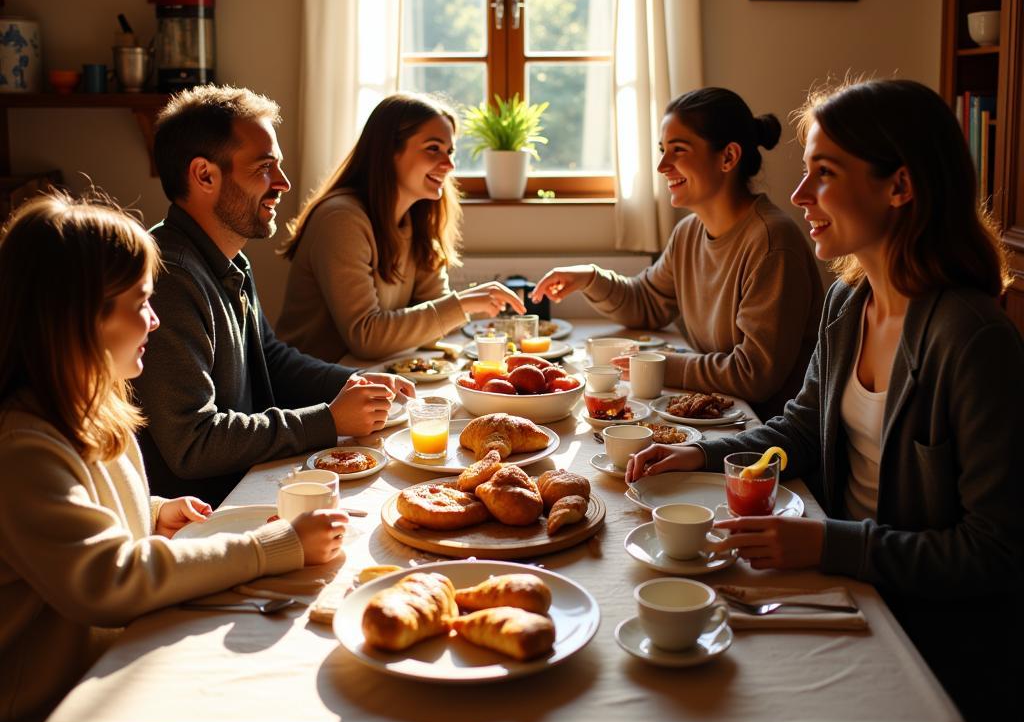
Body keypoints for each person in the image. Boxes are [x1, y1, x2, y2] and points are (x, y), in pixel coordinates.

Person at [627, 79, 1023, 722]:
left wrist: (828, 541)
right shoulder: (850, 300)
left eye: (825, 173)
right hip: (845, 586)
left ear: (899, 186)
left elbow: (994, 552)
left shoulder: (972, 337)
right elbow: (801, 430)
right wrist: (697, 450)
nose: (801, 193)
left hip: (930, 634)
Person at [0, 193, 348, 722]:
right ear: (78, 318)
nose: (154, 321)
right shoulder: (21, 449)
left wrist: (154, 512)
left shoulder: (89, 408)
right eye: (140, 304)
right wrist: (273, 545)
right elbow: (107, 580)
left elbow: (97, 512)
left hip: (107, 672)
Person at [134, 85, 413, 507]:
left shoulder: (229, 261)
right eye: (264, 167)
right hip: (208, 515)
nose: (283, 183)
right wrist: (328, 420)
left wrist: (354, 383)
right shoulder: (169, 278)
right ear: (205, 175)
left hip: (250, 481)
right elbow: (192, 442)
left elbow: (271, 360)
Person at [532, 87, 824, 419]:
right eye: (662, 150)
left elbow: (753, 375)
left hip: (762, 438)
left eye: (678, 150)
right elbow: (646, 304)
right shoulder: (689, 232)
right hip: (714, 414)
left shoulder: (772, 243)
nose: (662, 166)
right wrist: (590, 278)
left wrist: (659, 366)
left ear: (728, 157)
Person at [276, 92, 524, 362]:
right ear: (388, 151)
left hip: (369, 375)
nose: (449, 164)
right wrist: (462, 304)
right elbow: (366, 338)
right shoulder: (341, 219)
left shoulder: (417, 218)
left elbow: (432, 330)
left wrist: (455, 308)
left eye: (450, 151)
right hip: (316, 386)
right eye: (433, 148)